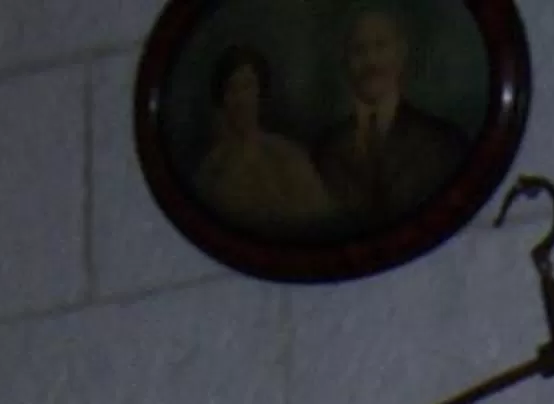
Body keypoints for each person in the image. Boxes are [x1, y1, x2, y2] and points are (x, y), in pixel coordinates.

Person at [313, 6, 467, 226]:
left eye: (380, 46)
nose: (371, 61)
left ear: (401, 53)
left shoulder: (444, 142)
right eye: (358, 50)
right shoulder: (325, 149)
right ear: (345, 61)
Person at [190, 45, 335, 233]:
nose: (240, 98)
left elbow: (319, 219)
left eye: (247, 86)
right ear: (222, 98)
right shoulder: (211, 168)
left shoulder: (289, 156)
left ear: (260, 93)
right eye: (232, 89)